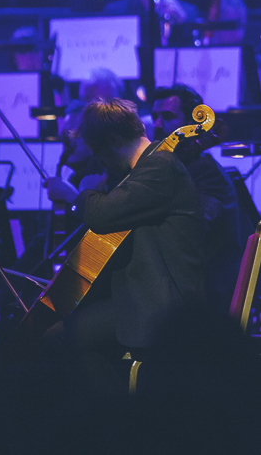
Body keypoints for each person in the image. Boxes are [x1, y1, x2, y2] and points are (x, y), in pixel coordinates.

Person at [41, 99, 205, 362]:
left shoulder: (159, 167)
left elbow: (101, 215)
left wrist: (86, 192)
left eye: (101, 155)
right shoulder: (146, 168)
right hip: (137, 297)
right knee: (70, 337)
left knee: (56, 337)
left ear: (115, 140)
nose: (103, 164)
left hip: (159, 303)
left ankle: (112, 401)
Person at [150, 84, 250, 313]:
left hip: (203, 297)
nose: (156, 125)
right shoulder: (173, 167)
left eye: (166, 117)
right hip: (178, 285)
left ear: (191, 126)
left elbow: (191, 228)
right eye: (154, 116)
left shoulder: (206, 173)